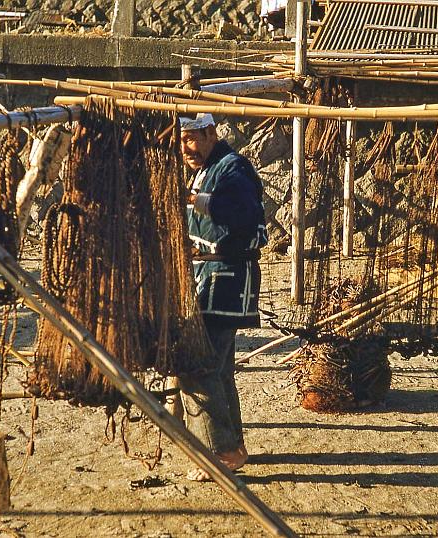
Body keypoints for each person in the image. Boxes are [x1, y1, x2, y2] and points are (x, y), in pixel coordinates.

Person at [178, 113, 268, 482]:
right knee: (218, 369)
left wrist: (195, 199)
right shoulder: (205, 170)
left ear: (212, 133)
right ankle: (234, 448)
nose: (187, 147)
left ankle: (220, 452)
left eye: (193, 138)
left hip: (226, 279)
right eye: (182, 139)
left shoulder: (233, 168)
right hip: (208, 277)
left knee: (198, 367)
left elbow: (244, 214)